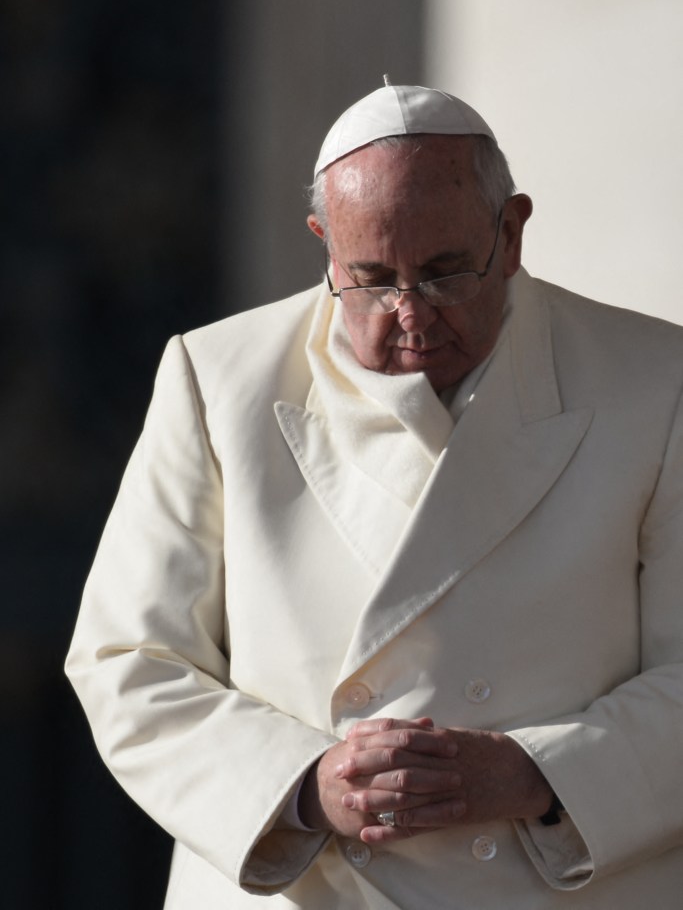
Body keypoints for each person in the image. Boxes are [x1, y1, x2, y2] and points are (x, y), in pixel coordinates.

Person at [66, 82, 683, 909]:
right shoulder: (216, 379)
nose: (408, 314)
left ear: (511, 234)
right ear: (324, 245)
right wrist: (303, 787)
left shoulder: (655, 381)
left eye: (442, 274)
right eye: (369, 279)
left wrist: (535, 774)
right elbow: (129, 660)